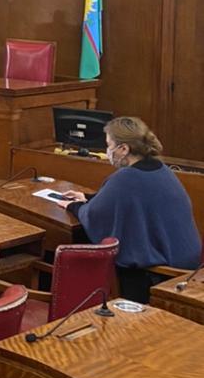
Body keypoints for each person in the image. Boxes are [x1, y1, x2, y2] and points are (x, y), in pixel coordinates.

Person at [60, 116, 200, 303]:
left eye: (109, 145)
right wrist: (88, 198)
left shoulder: (125, 178)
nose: (107, 151)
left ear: (124, 149)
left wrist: (74, 206)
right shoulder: (161, 169)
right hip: (188, 262)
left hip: (162, 274)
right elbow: (133, 200)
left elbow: (95, 215)